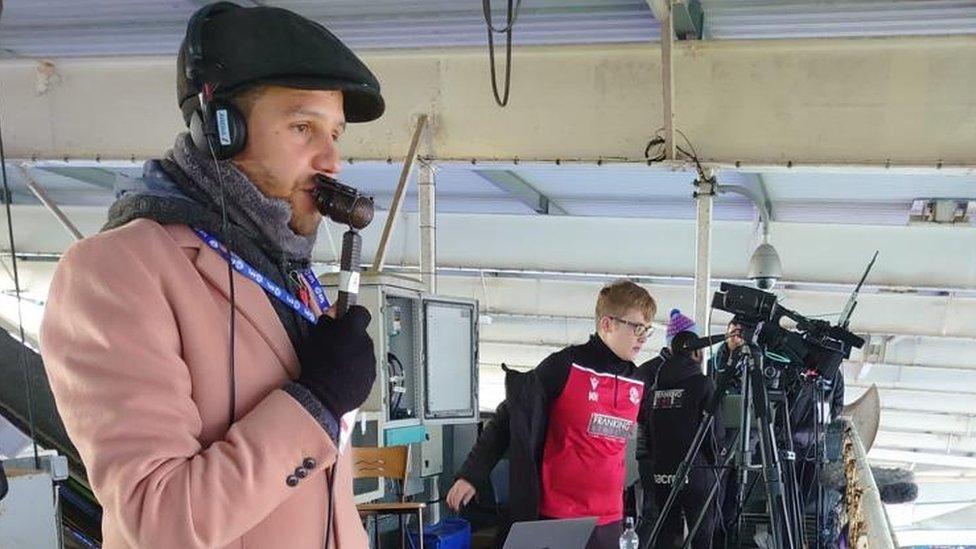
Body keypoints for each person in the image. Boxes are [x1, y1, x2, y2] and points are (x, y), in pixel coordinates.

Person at [38, 3, 383, 548]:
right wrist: (314, 402)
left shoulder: (286, 274)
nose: (331, 159)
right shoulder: (115, 271)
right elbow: (157, 522)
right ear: (222, 130)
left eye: (335, 134)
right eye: (302, 126)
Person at [447, 279, 657, 549]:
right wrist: (471, 474)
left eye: (647, 330)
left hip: (610, 520)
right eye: (637, 327)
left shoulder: (639, 382)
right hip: (558, 517)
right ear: (607, 324)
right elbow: (510, 416)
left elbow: (657, 437)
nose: (642, 337)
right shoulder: (565, 366)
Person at [639, 310, 724, 549]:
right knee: (702, 534)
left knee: (666, 532)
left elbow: (649, 430)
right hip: (697, 472)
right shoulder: (703, 384)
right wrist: (716, 462)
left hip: (661, 472)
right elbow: (714, 435)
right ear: (696, 351)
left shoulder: (655, 388)